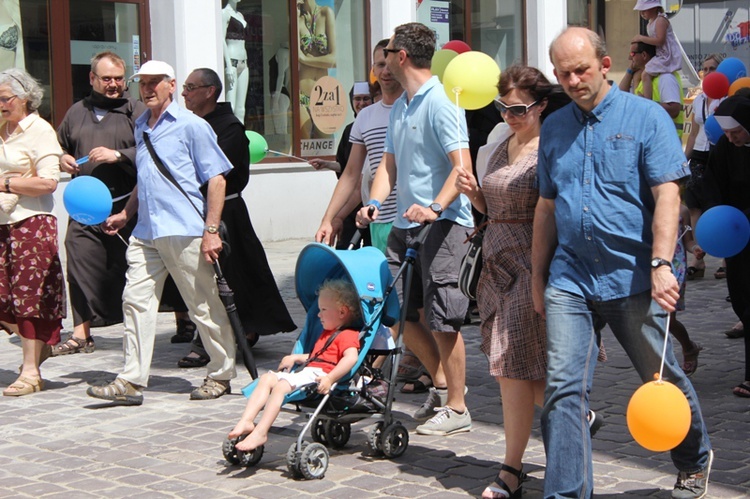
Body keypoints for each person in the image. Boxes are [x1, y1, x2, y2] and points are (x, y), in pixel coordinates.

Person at [532, 28, 712, 498]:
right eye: (563, 73)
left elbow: (668, 195)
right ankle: (567, 493)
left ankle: (694, 456)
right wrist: (537, 276)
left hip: (633, 274)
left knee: (662, 375)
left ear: (605, 64)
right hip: (570, 277)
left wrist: (660, 264)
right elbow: (547, 208)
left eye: (581, 70)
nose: (573, 80)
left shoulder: (647, 118)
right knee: (563, 388)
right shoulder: (553, 126)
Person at [86, 60, 237, 405]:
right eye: (143, 83)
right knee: (135, 301)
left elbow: (217, 178)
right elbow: (146, 176)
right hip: (146, 231)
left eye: (155, 82)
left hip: (183, 228)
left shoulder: (191, 126)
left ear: (171, 85)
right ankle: (131, 379)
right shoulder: (141, 125)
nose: (148, 88)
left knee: (202, 304)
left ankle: (221, 373)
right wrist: (126, 214)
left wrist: (211, 230)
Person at [455, 65, 569, 498]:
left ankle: (510, 468)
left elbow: (551, 212)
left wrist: (541, 275)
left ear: (540, 106)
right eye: (502, 107)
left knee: (509, 365)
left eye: (518, 108)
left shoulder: (550, 147)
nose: (509, 115)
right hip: (495, 258)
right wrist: (472, 194)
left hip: (531, 257)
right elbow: (493, 207)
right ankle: (572, 413)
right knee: (512, 366)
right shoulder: (501, 144)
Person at [357, 23, 473, 437]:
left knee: (443, 319)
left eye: (386, 52)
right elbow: (387, 164)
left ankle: (458, 409)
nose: (382, 60)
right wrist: (372, 203)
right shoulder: (402, 105)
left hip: (443, 224)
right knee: (402, 314)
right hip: (404, 225)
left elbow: (463, 169)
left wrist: (434, 207)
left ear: (401, 56)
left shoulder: (441, 101)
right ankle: (441, 388)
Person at [177, 68, 296, 368]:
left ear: (210, 91)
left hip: (226, 211)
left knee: (231, 275)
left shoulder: (229, 127)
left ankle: (231, 332)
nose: (185, 93)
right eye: (184, 87)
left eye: (191, 87)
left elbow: (210, 172)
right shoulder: (188, 123)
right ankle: (210, 331)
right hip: (192, 210)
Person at [54, 51, 146, 356]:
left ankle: (182, 319)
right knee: (78, 259)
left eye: (119, 78)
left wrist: (119, 155)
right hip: (85, 208)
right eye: (106, 78)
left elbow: (153, 149)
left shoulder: (136, 110)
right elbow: (60, 147)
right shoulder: (76, 112)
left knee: (147, 265)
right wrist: (62, 158)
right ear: (92, 78)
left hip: (129, 205)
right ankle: (82, 333)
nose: (114, 84)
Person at [227, 279, 360, 452]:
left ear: (342, 312)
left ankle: (261, 432)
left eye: (323, 310)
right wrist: (296, 357)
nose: (318, 315)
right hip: (308, 372)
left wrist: (330, 378)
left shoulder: (348, 335)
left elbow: (350, 358)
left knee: (281, 387)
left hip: (319, 376)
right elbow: (316, 357)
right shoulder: (326, 334)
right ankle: (246, 420)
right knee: (267, 378)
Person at [0, 68, 64, 396]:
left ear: (24, 99)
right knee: (4, 297)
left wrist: (6, 182)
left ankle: (30, 372)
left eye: (5, 98)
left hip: (31, 222)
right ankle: (39, 347)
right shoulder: (1, 130)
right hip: (2, 221)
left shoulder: (39, 130)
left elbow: (48, 181)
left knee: (28, 298)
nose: (0, 104)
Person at [700, 94, 750, 397]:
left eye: (736, 134)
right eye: (728, 134)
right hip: (735, 237)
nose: (731, 140)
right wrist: (717, 216)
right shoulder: (723, 149)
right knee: (742, 299)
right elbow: (710, 184)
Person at [309, 81, 373, 248]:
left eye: (366, 98)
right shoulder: (349, 130)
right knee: (344, 251)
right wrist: (327, 164)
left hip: (373, 208)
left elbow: (360, 181)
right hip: (351, 208)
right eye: (357, 99)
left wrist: (335, 217)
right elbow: (348, 170)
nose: (361, 103)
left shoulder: (377, 128)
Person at [683, 54, 724, 280]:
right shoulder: (699, 100)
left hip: (719, 154)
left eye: (713, 68)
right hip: (699, 154)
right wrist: (683, 160)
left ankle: (726, 260)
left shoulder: (726, 99)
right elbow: (693, 133)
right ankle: (698, 260)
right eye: (705, 69)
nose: (708, 72)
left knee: (719, 204)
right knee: (694, 206)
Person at [619, 41, 685, 139]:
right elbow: (621, 96)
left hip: (666, 141)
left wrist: (647, 104)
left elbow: (674, 110)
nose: (629, 58)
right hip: (652, 140)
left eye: (632, 54)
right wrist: (630, 70)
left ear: (644, 55)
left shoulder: (665, 77)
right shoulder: (645, 80)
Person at [671, 204, 704, 376]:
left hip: (674, 270)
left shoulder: (682, 211)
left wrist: (695, 249)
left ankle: (688, 348)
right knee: (653, 319)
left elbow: (688, 240)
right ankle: (688, 349)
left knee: (668, 319)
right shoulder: (641, 205)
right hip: (647, 269)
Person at [297, 0, 336, 139]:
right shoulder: (298, 19)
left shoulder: (325, 13)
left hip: (323, 96)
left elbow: (334, 59)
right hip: (301, 94)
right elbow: (294, 56)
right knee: (304, 144)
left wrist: (305, 59)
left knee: (327, 144)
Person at [632, 0, 682, 101]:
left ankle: (647, 100)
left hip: (666, 55)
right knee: (643, 73)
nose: (642, 13)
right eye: (641, 11)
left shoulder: (660, 20)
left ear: (654, 8)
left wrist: (641, 38)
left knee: (645, 74)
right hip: (660, 54)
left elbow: (660, 40)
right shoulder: (650, 24)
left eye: (644, 10)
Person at [222, 0, 249, 124]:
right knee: (230, 107)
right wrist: (227, 65)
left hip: (244, 62)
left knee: (241, 109)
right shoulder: (224, 13)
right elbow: (221, 39)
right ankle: (230, 138)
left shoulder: (240, 15)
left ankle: (240, 140)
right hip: (232, 62)